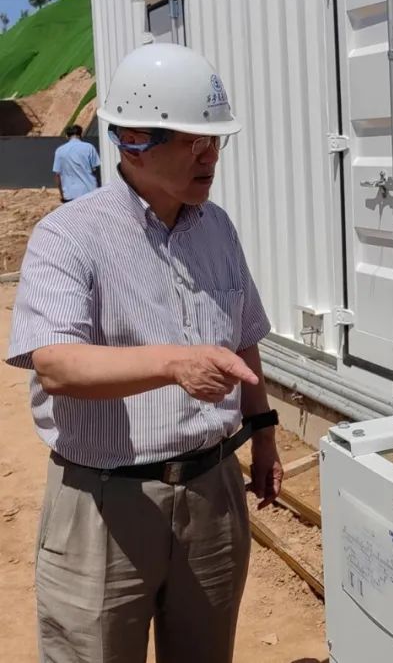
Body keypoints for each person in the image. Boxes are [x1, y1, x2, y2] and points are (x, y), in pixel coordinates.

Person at [7, 43, 283, 663]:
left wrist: (264, 432)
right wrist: (173, 364)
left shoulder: (217, 228)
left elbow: (244, 336)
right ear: (133, 141)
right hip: (105, 506)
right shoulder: (69, 235)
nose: (211, 156)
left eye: (216, 141)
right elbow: (56, 364)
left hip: (213, 495)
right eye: (194, 141)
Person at [52, 123, 101, 202]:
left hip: (70, 195)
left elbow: (58, 175)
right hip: (90, 192)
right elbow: (97, 171)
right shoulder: (89, 147)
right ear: (81, 134)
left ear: (67, 136)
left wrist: (62, 194)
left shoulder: (59, 151)